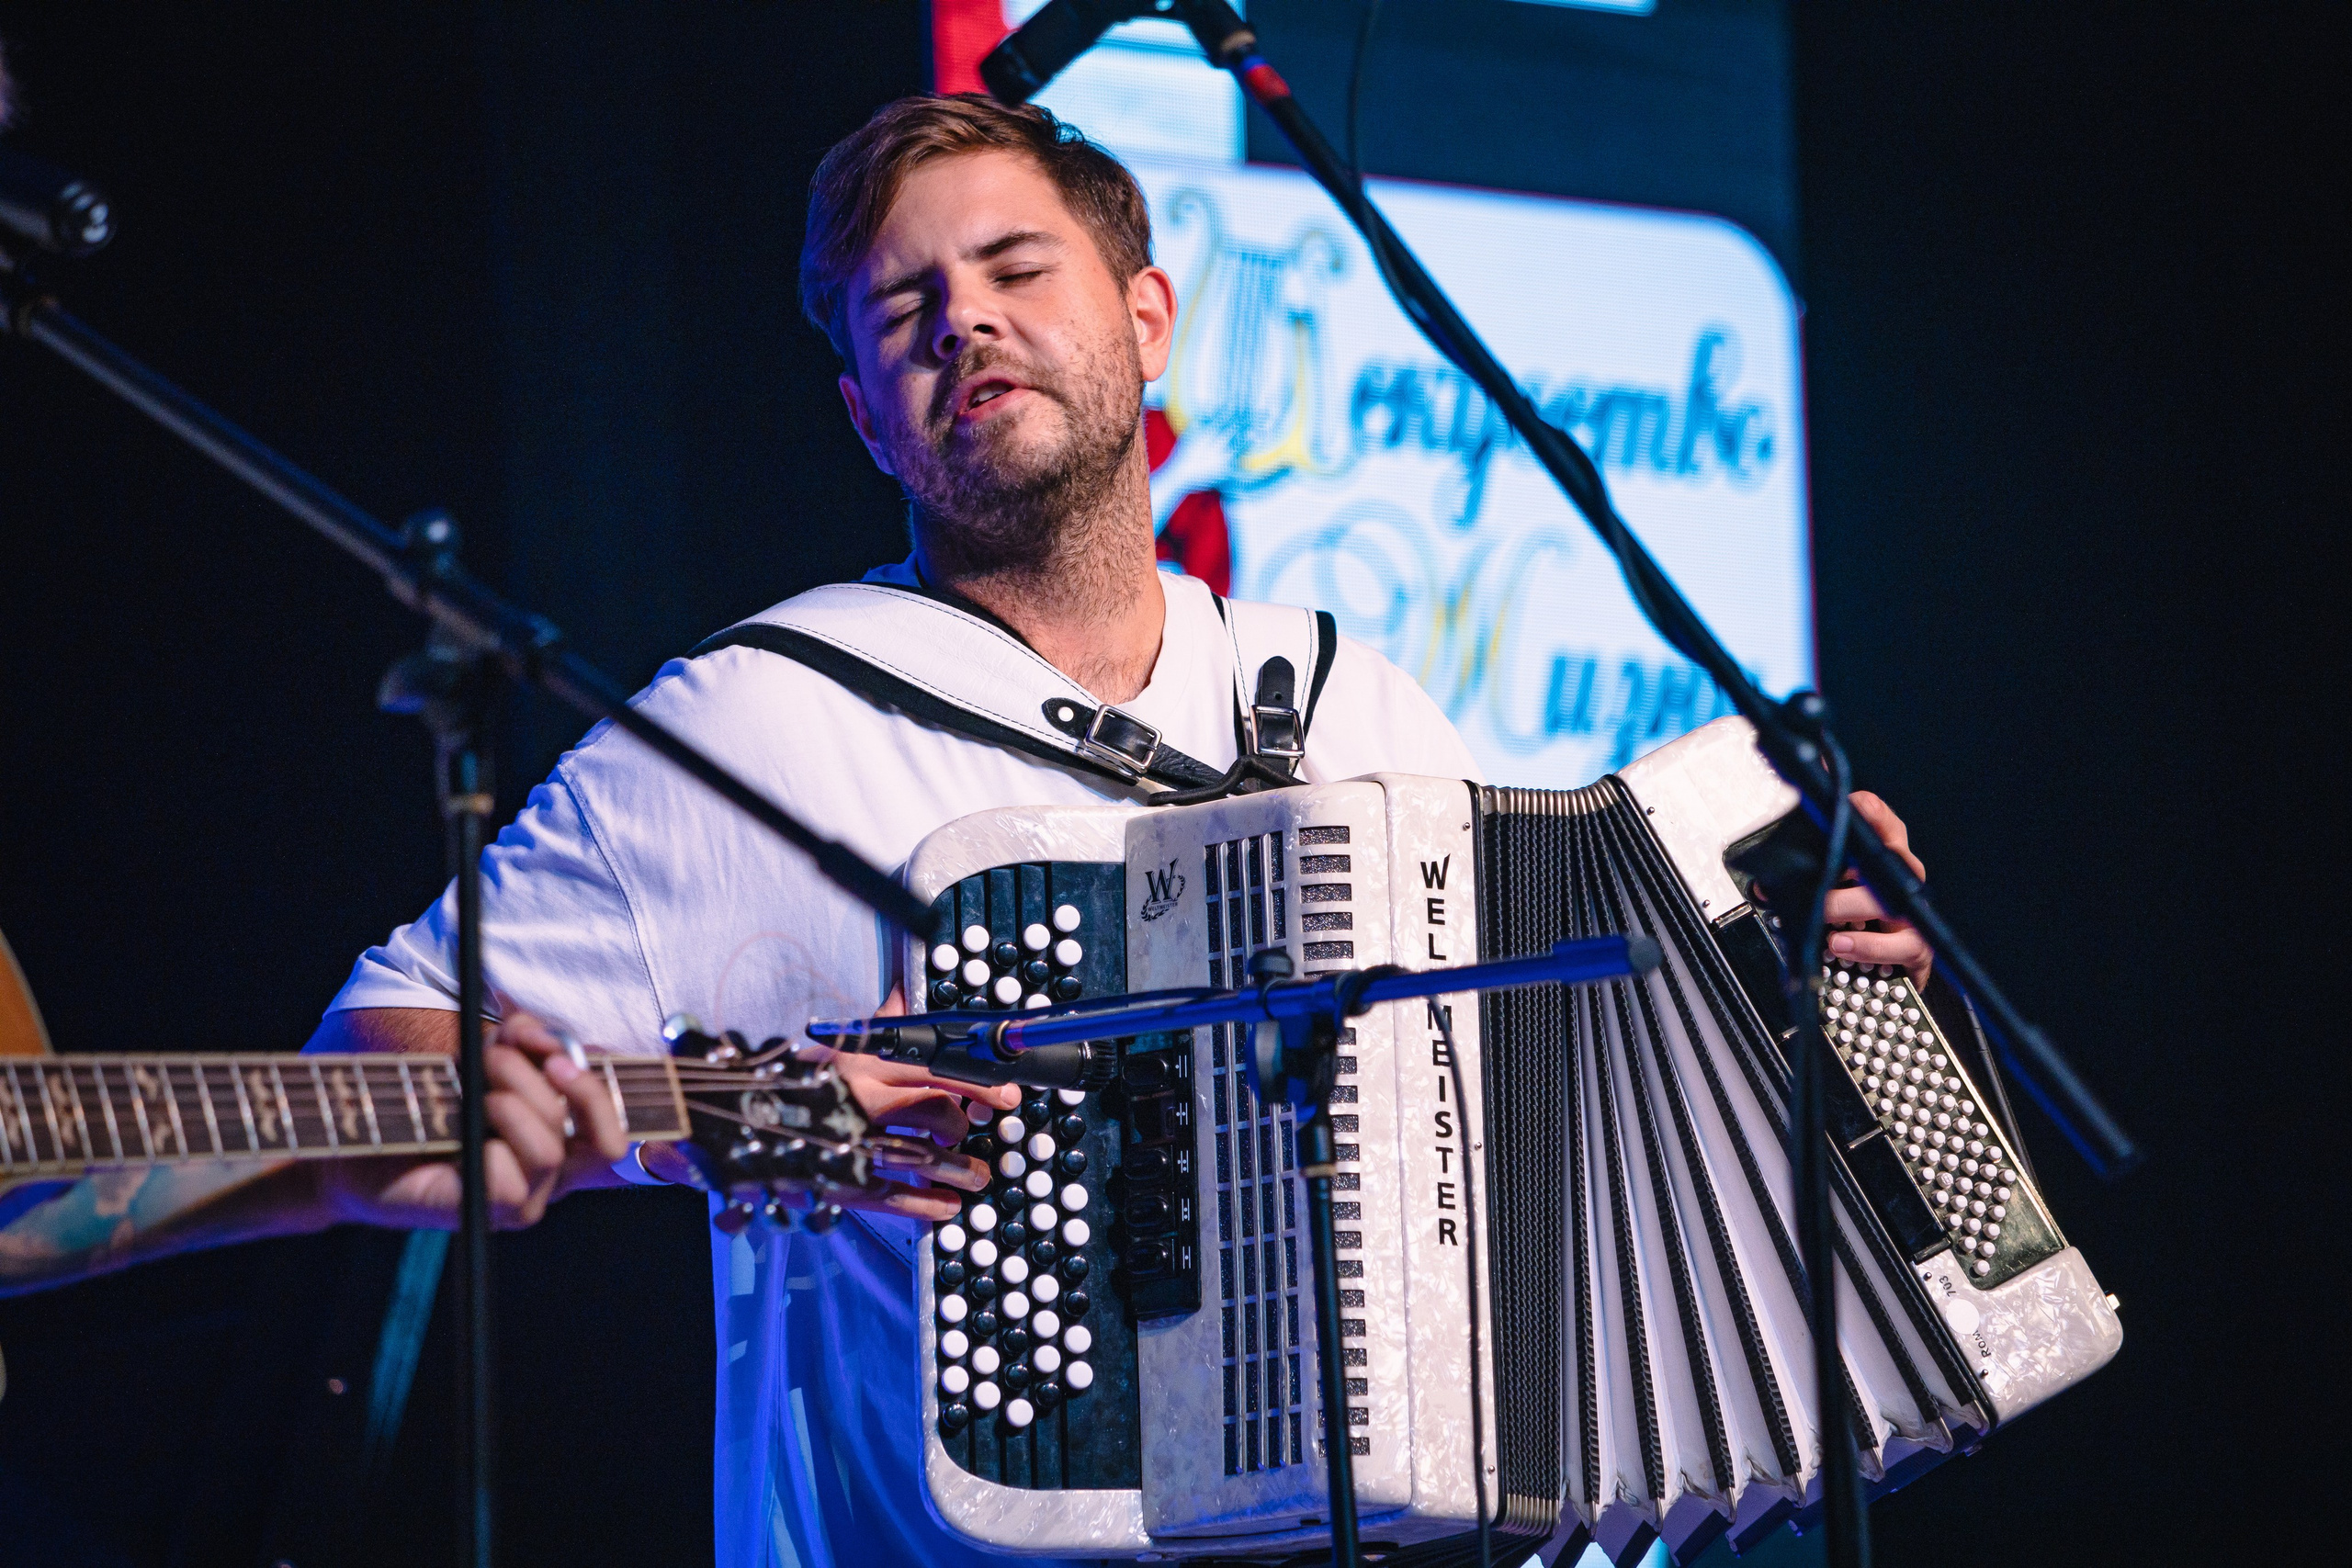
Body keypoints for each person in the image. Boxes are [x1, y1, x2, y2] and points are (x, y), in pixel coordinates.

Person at [0, 95, 1934, 1565]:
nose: (968, 327)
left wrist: (1761, 979)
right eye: (905, 309)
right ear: (860, 407)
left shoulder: (1348, 697)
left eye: (1018, 272)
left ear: (1146, 315)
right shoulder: (758, 714)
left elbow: (1541, 1061)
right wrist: (527, 1128)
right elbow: (389, 1045)